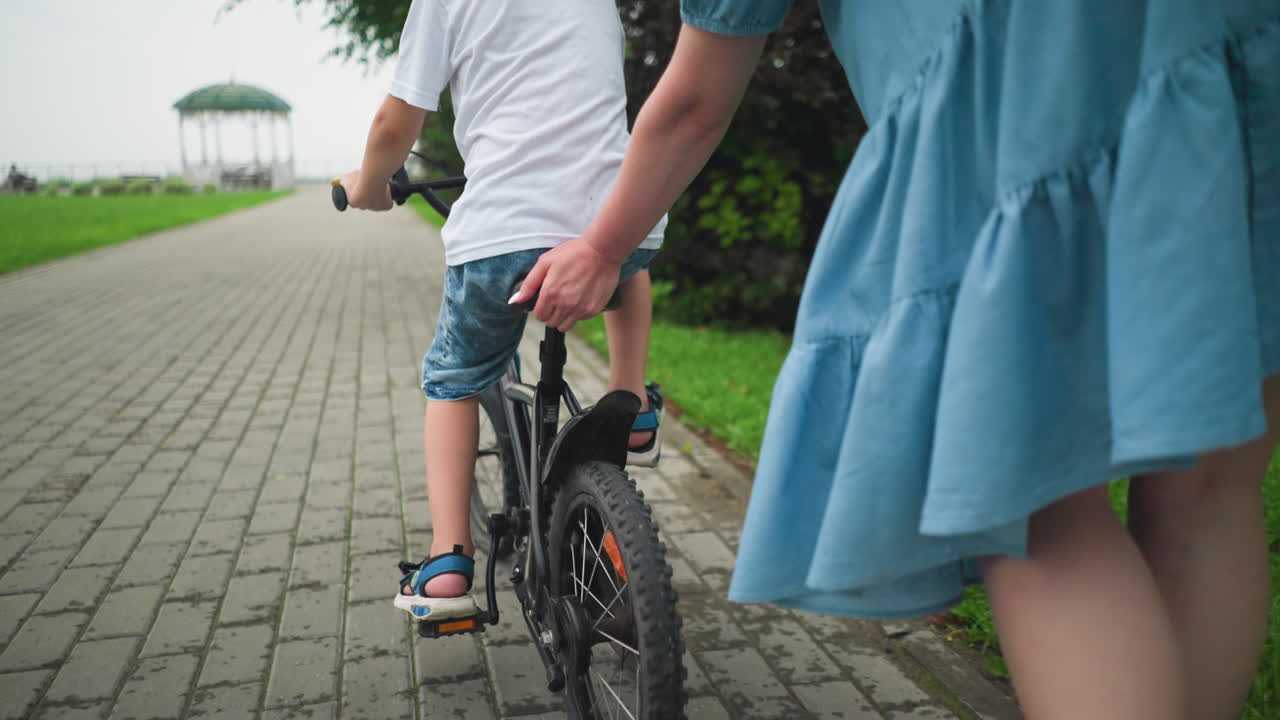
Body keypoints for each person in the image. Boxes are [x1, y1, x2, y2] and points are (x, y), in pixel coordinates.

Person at [513, 2, 1280, 718]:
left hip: (1015, 102)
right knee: (1209, 491)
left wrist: (603, 247)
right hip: (1233, 57)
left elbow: (695, 100)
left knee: (1040, 510)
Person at [340, 0, 667, 621]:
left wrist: (369, 185)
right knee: (631, 269)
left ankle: (447, 560)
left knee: (454, 377)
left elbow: (395, 121)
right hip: (622, 218)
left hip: (506, 232)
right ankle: (633, 404)